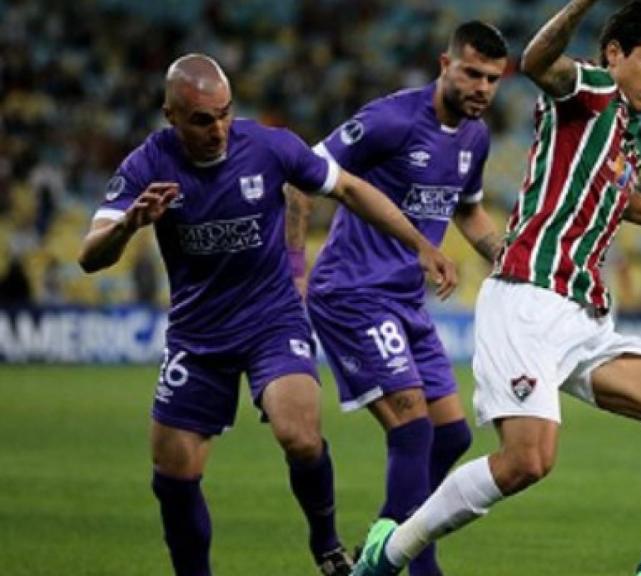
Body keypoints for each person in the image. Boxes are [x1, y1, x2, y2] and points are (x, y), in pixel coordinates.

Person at [353, 2, 641, 576]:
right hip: (528, 298)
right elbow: (535, 61)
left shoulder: (627, 132)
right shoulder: (591, 89)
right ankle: (392, 550)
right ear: (614, 54)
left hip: (582, 316)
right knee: (527, 461)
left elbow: (613, 194)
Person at [78, 54, 457, 576]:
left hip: (272, 320)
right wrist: (130, 225)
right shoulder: (148, 163)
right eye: (202, 120)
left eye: (225, 113)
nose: (218, 129)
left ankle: (326, 545)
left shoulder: (270, 146)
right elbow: (89, 254)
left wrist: (418, 243)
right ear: (171, 115)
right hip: (197, 334)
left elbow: (347, 187)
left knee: (299, 434)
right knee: (174, 474)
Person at [289, 21, 508, 576]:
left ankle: (390, 540)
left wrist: (508, 257)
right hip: (351, 293)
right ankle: (401, 564)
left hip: (407, 299)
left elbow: (468, 210)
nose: (483, 88)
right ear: (445, 64)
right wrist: (294, 273)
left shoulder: (475, 138)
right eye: (473, 73)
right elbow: (299, 178)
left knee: (452, 434)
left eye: (494, 79)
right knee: (411, 428)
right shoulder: (390, 120)